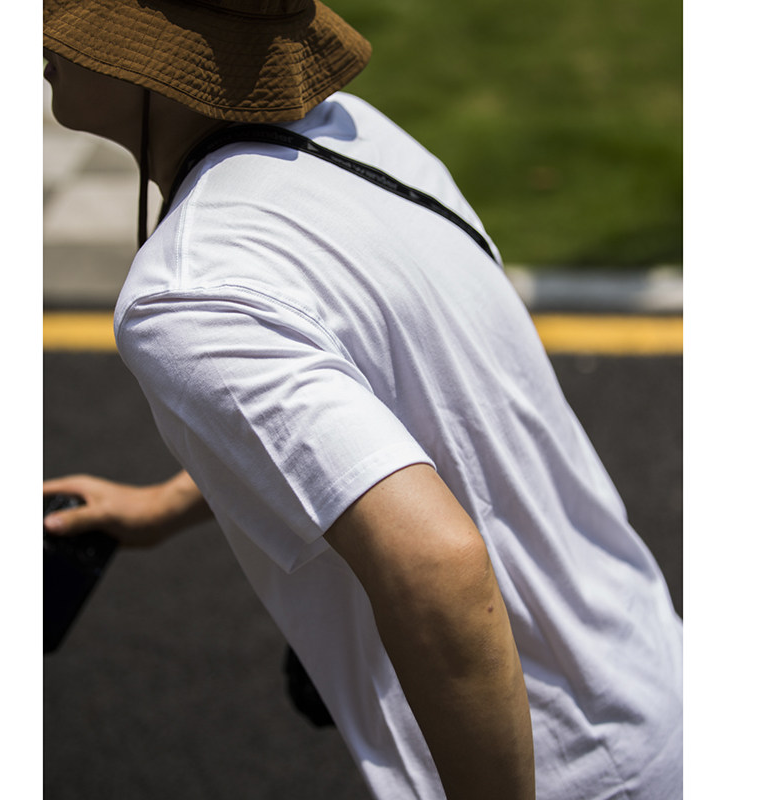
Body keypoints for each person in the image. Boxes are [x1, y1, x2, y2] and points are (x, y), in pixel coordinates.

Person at [42, 2, 683, 798]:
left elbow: (439, 567)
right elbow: (373, 405)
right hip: (651, 676)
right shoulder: (359, 135)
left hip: (562, 771)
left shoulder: (188, 291)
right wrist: (167, 505)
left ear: (154, 60)